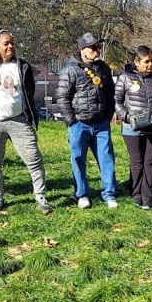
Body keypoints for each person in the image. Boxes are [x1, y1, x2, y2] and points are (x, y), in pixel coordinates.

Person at [0, 30, 52, 214]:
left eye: (12, 43)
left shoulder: (23, 66)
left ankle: (41, 197)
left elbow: (29, 91)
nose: (10, 47)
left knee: (34, 159)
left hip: (19, 121)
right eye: (5, 44)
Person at [56, 32, 117, 209]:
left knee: (106, 159)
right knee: (78, 160)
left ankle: (109, 194)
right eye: (93, 48)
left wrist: (108, 115)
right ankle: (82, 195)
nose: (97, 51)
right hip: (79, 124)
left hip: (101, 124)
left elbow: (110, 93)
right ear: (82, 49)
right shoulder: (70, 69)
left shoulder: (104, 67)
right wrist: (71, 121)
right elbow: (62, 97)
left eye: (98, 47)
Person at [114, 46, 152, 210]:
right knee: (137, 162)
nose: (150, 65)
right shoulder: (125, 78)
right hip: (132, 129)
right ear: (136, 62)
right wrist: (127, 118)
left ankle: (148, 197)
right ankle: (136, 194)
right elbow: (117, 101)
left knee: (150, 162)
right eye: (146, 62)